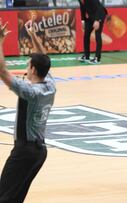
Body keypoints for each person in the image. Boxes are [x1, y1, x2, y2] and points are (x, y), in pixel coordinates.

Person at [0, 20, 56, 202]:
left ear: (32, 69)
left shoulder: (29, 92)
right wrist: (32, 35)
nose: (26, 68)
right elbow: (44, 58)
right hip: (39, 152)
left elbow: (2, 70)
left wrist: (0, 40)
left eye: (27, 65)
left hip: (24, 151)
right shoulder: (50, 84)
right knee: (15, 197)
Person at [78, 0, 108, 64]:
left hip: (99, 15)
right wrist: (83, 20)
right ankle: (86, 56)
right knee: (86, 34)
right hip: (91, 16)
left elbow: (99, 8)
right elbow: (82, 8)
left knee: (97, 34)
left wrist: (97, 20)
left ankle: (97, 58)